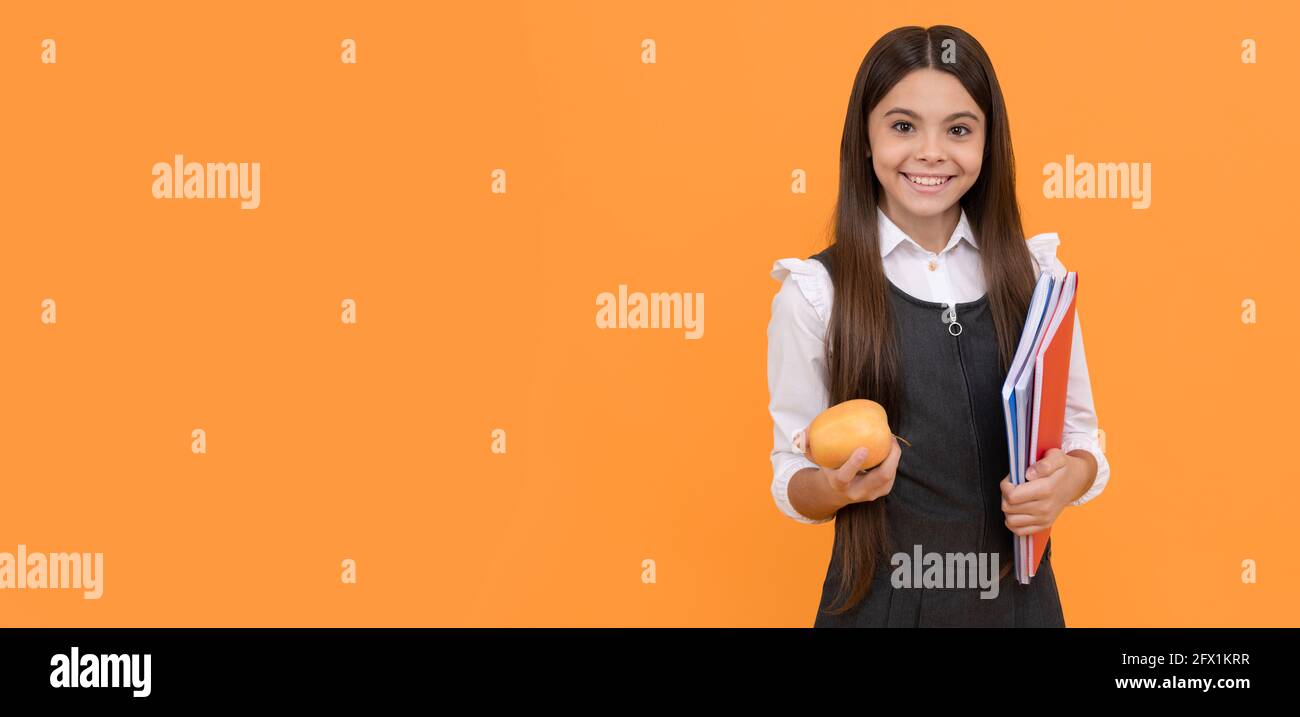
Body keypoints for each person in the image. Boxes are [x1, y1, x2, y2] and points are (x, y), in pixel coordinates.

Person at [765, 25, 1111, 627]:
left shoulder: (1037, 279)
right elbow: (792, 474)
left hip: (1019, 606)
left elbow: (1081, 437)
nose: (931, 152)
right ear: (863, 140)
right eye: (903, 126)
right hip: (879, 606)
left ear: (987, 142)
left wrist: (1065, 483)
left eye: (958, 129)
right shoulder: (816, 294)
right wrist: (839, 489)